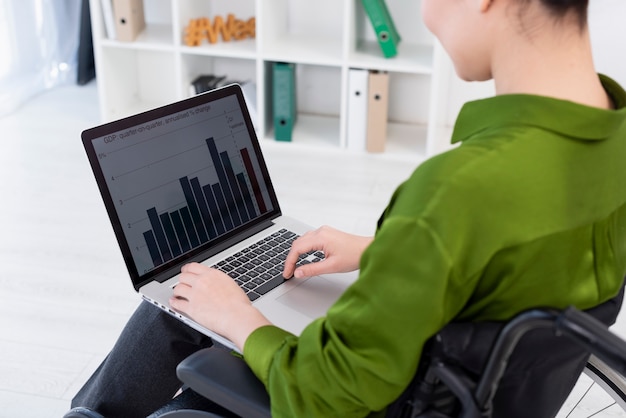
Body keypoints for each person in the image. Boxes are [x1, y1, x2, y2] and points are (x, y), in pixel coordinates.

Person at [65, 0, 626, 417]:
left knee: (178, 303)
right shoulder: (614, 139)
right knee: (192, 293)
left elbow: (325, 393)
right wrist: (387, 251)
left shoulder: (458, 190)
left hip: (377, 398)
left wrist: (242, 319)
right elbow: (527, 259)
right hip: (480, 382)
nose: (427, 16)